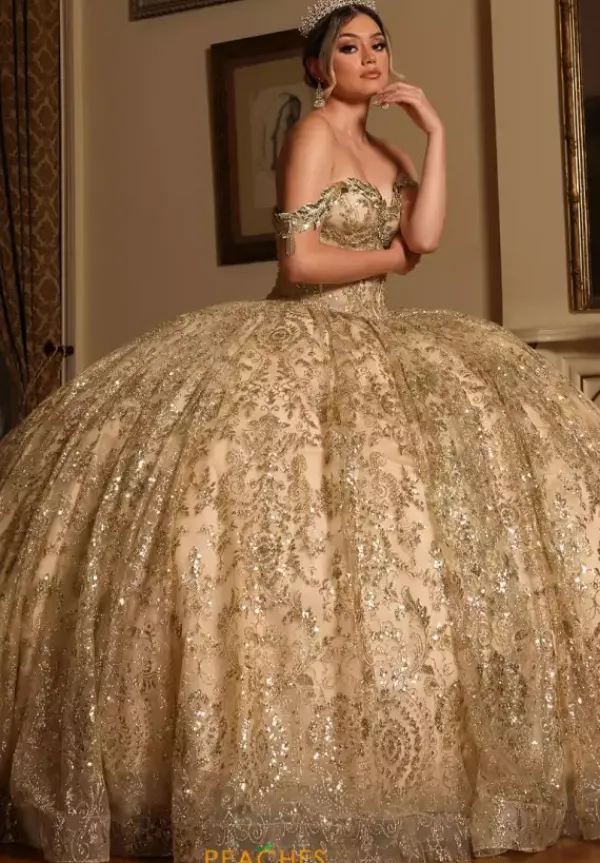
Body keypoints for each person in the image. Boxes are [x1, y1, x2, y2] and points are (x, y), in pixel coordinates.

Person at [1, 2, 600, 862]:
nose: (369, 57)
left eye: (378, 43)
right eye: (349, 47)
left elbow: (427, 234)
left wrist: (434, 132)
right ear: (320, 66)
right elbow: (302, 262)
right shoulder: (312, 136)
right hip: (304, 329)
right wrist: (392, 259)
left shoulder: (390, 148)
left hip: (378, 334)